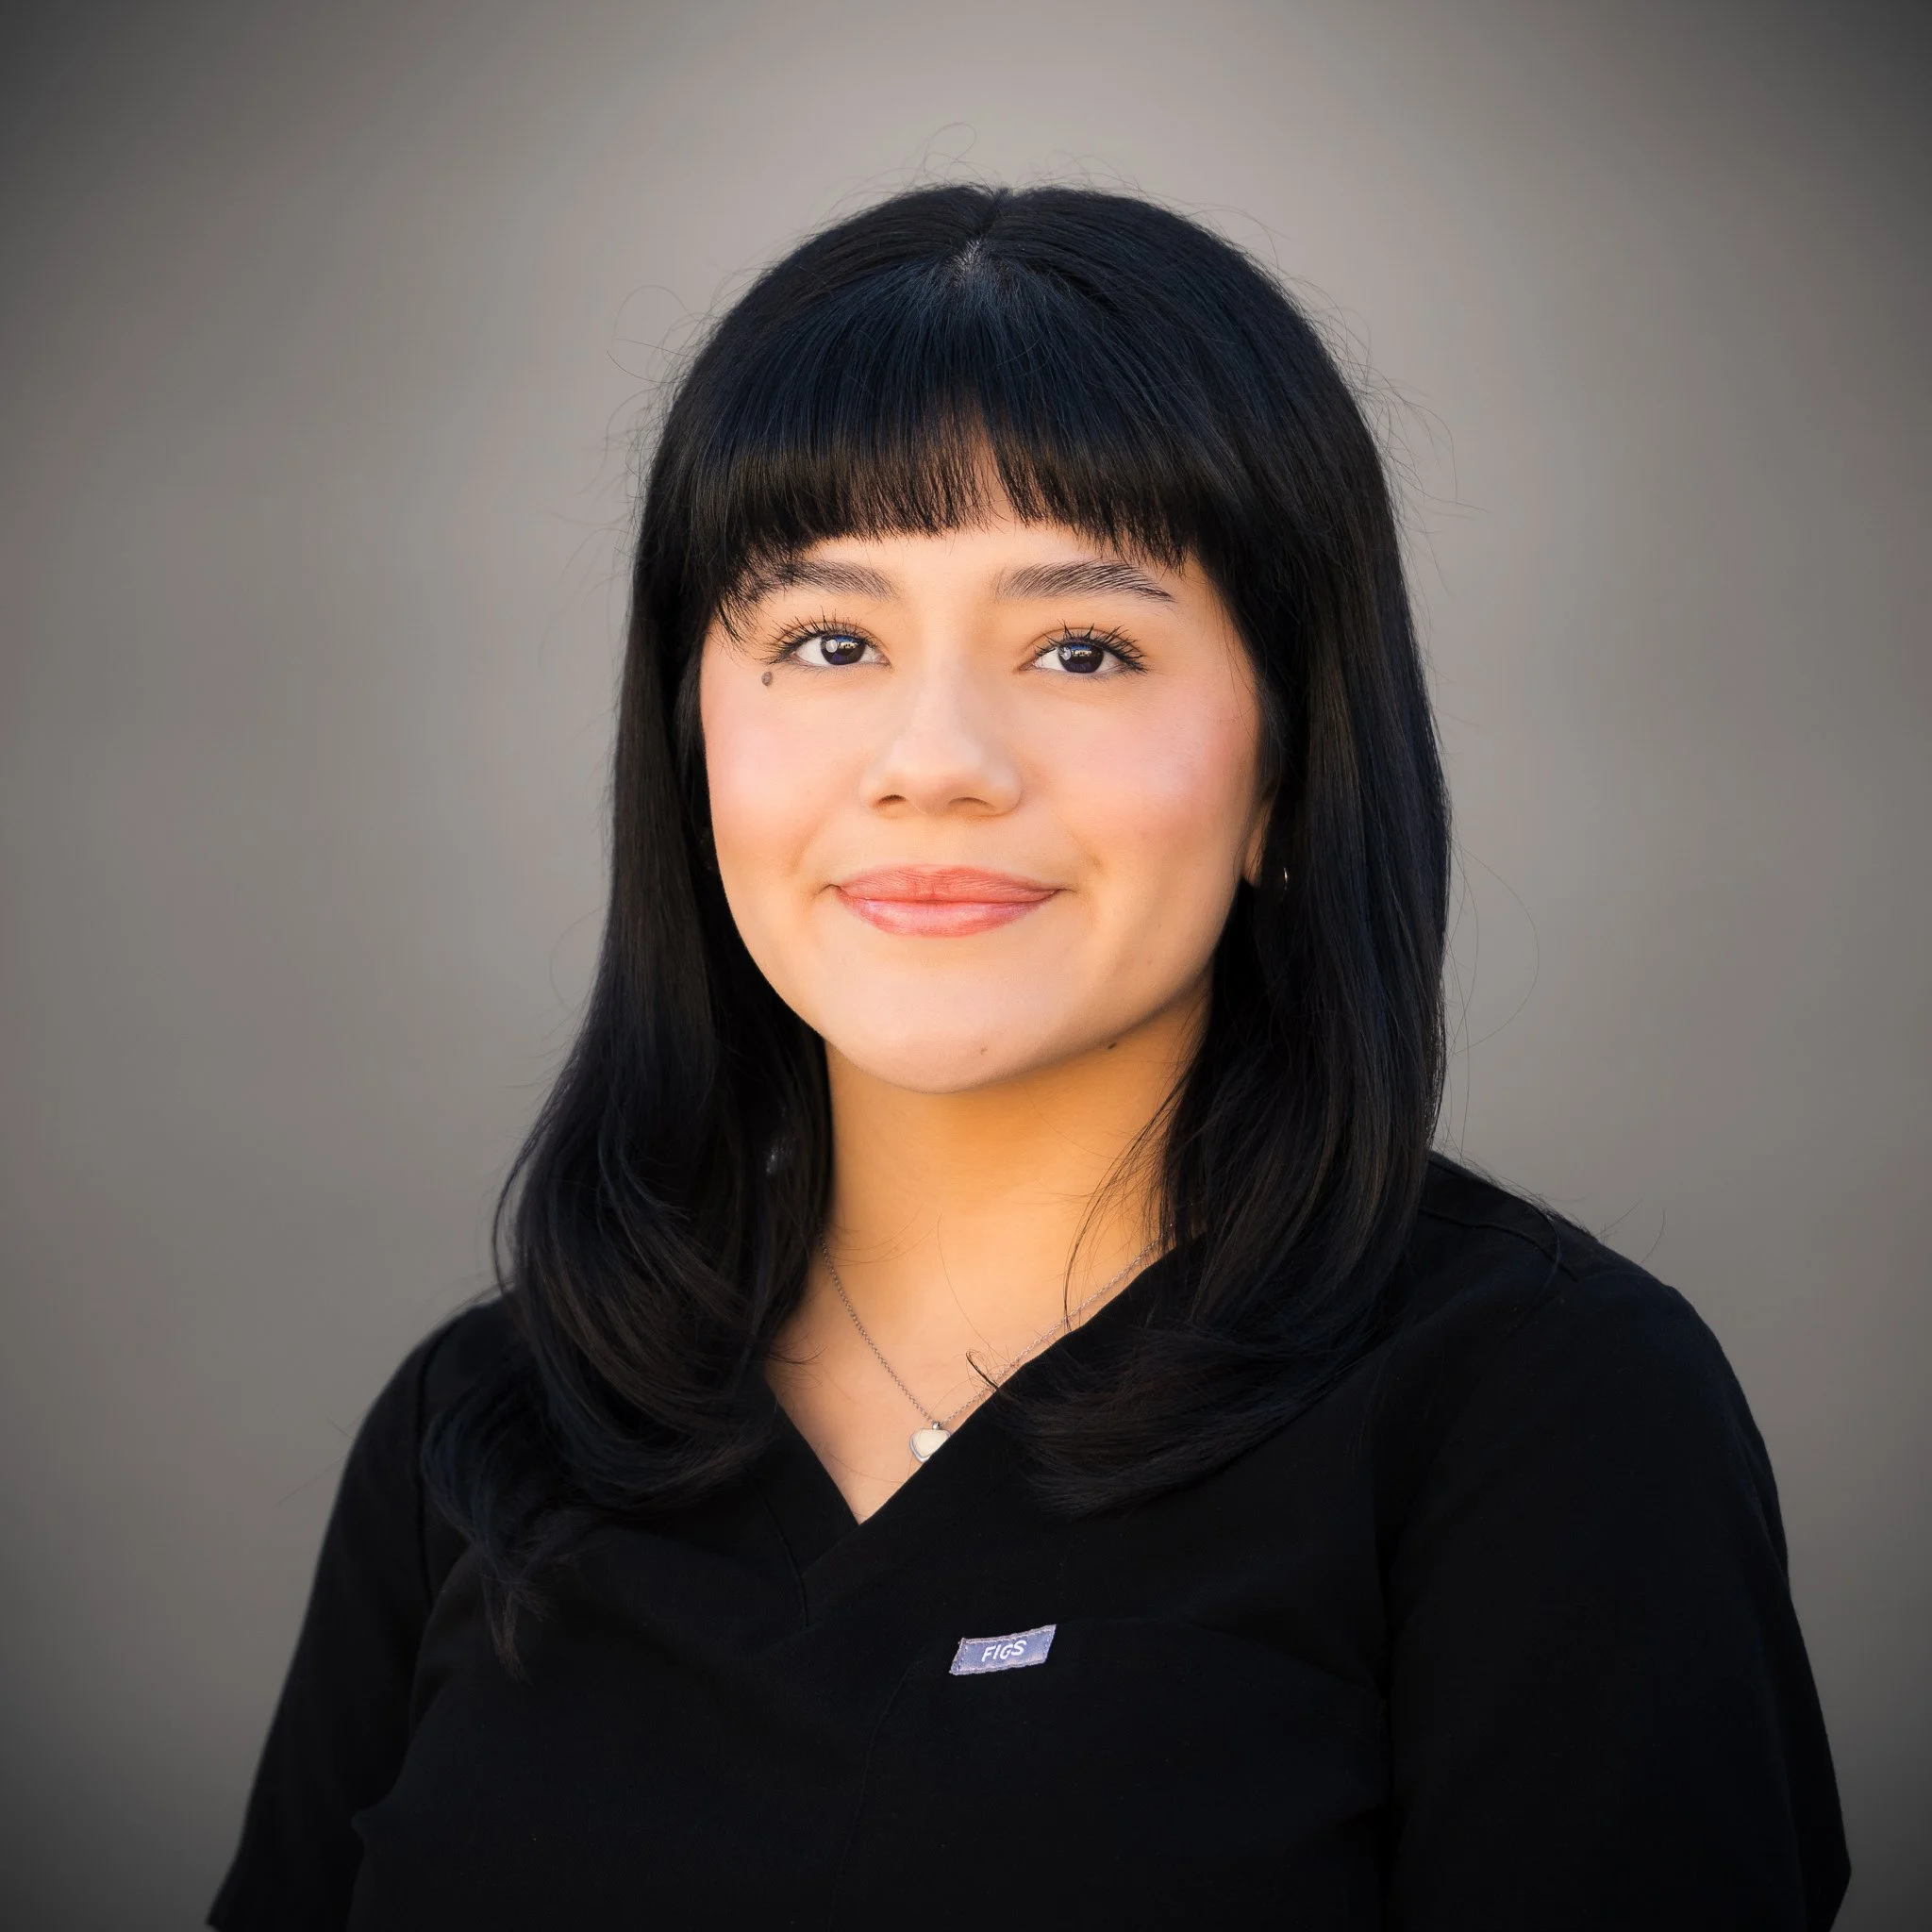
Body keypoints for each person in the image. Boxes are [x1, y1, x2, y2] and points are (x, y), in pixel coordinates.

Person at [210, 184, 1849, 1930]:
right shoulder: (484, 1431)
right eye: (828, 642)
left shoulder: (1543, 1417)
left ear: (1288, 775)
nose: (936, 760)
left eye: (1084, 647)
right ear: (692, 742)